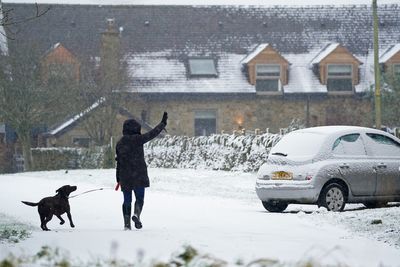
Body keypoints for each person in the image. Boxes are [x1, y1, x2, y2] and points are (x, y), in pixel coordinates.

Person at [115, 112, 168, 230]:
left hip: (125, 175)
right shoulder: (138, 139)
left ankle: (127, 224)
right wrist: (162, 123)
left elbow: (118, 161)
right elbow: (152, 134)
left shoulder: (120, 143)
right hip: (139, 174)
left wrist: (118, 178)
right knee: (139, 198)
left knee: (126, 200)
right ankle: (136, 214)